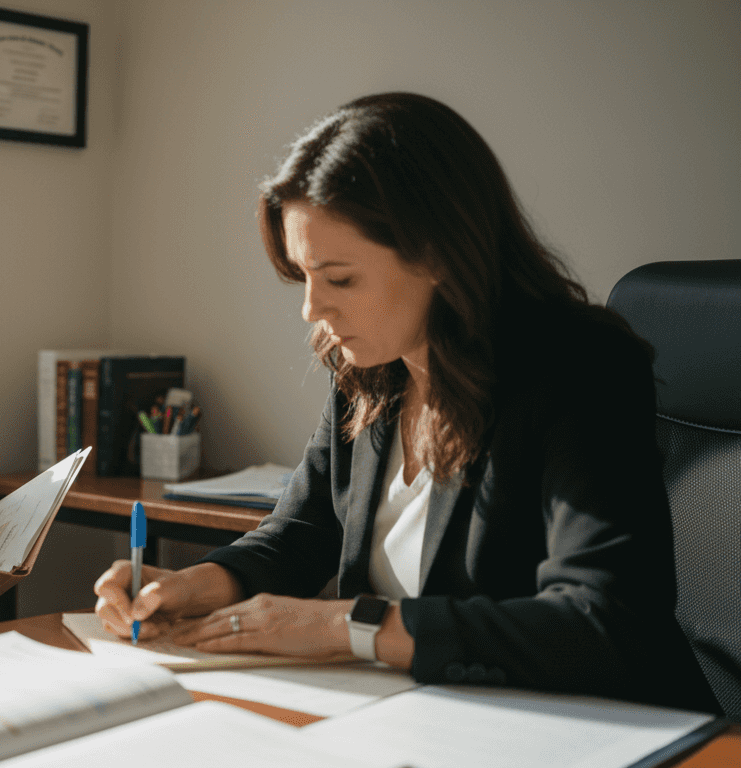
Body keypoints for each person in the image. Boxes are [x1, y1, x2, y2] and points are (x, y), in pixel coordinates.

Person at [94, 93, 717, 711]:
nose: (313, 309)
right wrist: (194, 586)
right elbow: (303, 532)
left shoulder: (579, 367)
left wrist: (349, 627)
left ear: (439, 254)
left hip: (596, 727)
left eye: (340, 279)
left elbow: (602, 621)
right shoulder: (366, 366)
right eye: (302, 276)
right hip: (414, 714)